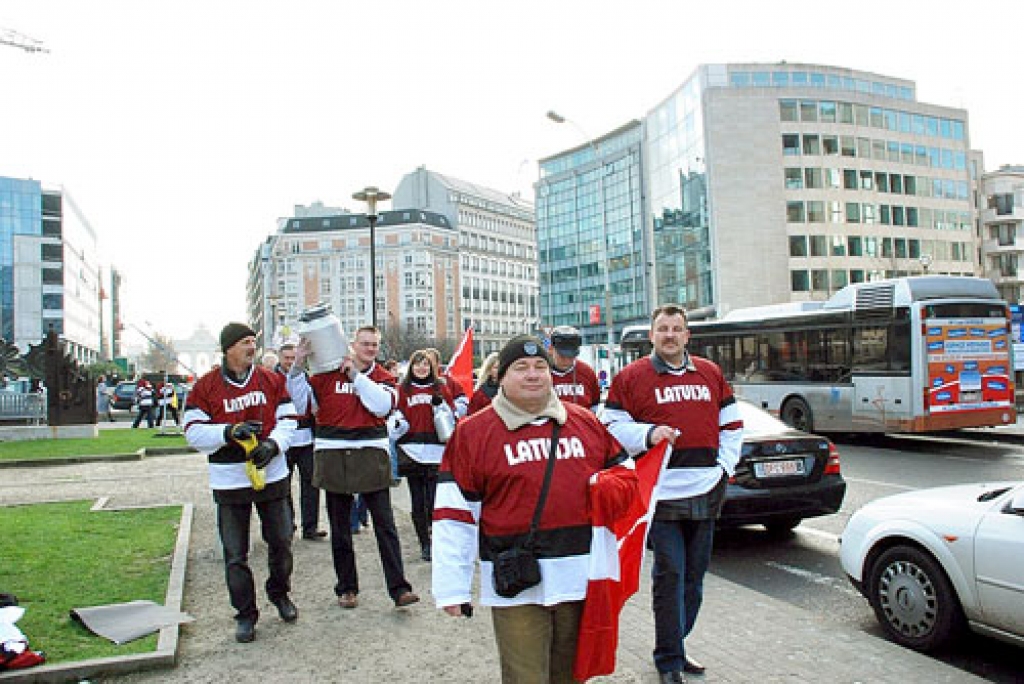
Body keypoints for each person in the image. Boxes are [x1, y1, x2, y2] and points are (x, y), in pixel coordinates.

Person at [433, 335, 639, 683]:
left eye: (540, 366)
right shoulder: (473, 433)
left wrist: (613, 486)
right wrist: (453, 587)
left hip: (579, 578)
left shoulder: (585, 422)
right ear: (500, 376)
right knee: (526, 678)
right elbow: (454, 515)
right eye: (521, 367)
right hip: (517, 584)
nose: (533, 375)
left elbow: (626, 472)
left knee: (571, 675)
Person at [600, 304, 743, 684]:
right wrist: (649, 435)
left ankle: (677, 644)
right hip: (660, 495)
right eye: (662, 328)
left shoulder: (710, 373)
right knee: (671, 573)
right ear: (652, 335)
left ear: (687, 335)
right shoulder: (631, 377)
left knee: (694, 578)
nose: (669, 335)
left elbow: (732, 426)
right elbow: (611, 424)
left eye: (676, 329)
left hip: (706, 490)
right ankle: (668, 662)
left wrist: (724, 469)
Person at [286, 326, 419, 610]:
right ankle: (346, 588)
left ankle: (399, 589)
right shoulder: (325, 376)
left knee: (385, 525)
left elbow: (382, 406)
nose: (370, 349)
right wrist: (298, 364)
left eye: (374, 345)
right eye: (365, 343)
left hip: (370, 453)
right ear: (352, 344)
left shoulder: (383, 377)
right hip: (333, 453)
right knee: (340, 527)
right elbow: (299, 403)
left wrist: (356, 377)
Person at [183, 322, 299, 643]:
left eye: (254, 341)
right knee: (235, 554)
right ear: (229, 348)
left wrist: (273, 445)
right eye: (245, 342)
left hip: (271, 475)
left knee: (281, 542)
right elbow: (192, 430)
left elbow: (289, 420)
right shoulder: (205, 387)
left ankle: (280, 593)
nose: (252, 347)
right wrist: (227, 432)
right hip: (229, 481)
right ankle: (245, 614)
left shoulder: (272, 380)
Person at [389, 349, 457, 561]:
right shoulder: (403, 389)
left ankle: (436, 539)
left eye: (425, 364)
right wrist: (398, 423)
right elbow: (394, 415)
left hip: (436, 452)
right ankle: (424, 543)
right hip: (412, 451)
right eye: (418, 364)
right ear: (411, 367)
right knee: (417, 501)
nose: (421, 368)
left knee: (435, 500)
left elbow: (452, 415)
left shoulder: (440, 388)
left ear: (431, 367)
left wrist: (442, 408)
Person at [277, 343, 326, 540]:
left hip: (306, 437)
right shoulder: (273, 379)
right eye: (286, 358)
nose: (290, 361)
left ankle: (310, 526)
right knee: (283, 485)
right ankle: (287, 524)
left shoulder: (306, 378)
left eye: (293, 358)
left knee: (311, 484)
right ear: (281, 358)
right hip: (285, 438)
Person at [548, 326, 602, 411]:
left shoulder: (587, 372)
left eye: (571, 356)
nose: (567, 361)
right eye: (562, 356)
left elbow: (595, 404)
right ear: (551, 349)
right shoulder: (541, 374)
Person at [424, 348, 469, 419]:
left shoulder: (449, 381)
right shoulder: (415, 383)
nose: (427, 364)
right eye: (425, 362)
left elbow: (463, 402)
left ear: (438, 363)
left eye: (430, 361)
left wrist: (450, 411)